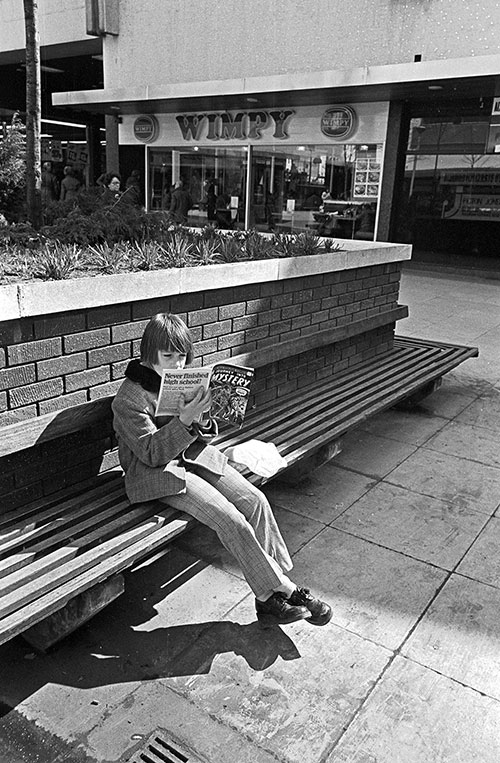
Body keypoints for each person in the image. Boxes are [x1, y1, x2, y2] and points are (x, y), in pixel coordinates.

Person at [112, 313, 333, 628]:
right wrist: (185, 421)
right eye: (168, 356)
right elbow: (151, 453)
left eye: (182, 357)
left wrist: (201, 418)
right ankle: (286, 589)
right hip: (157, 473)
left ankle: (268, 596)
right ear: (150, 354)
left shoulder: (179, 380)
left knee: (255, 500)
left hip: (192, 457)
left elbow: (204, 432)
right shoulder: (129, 398)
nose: (177, 364)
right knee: (231, 520)